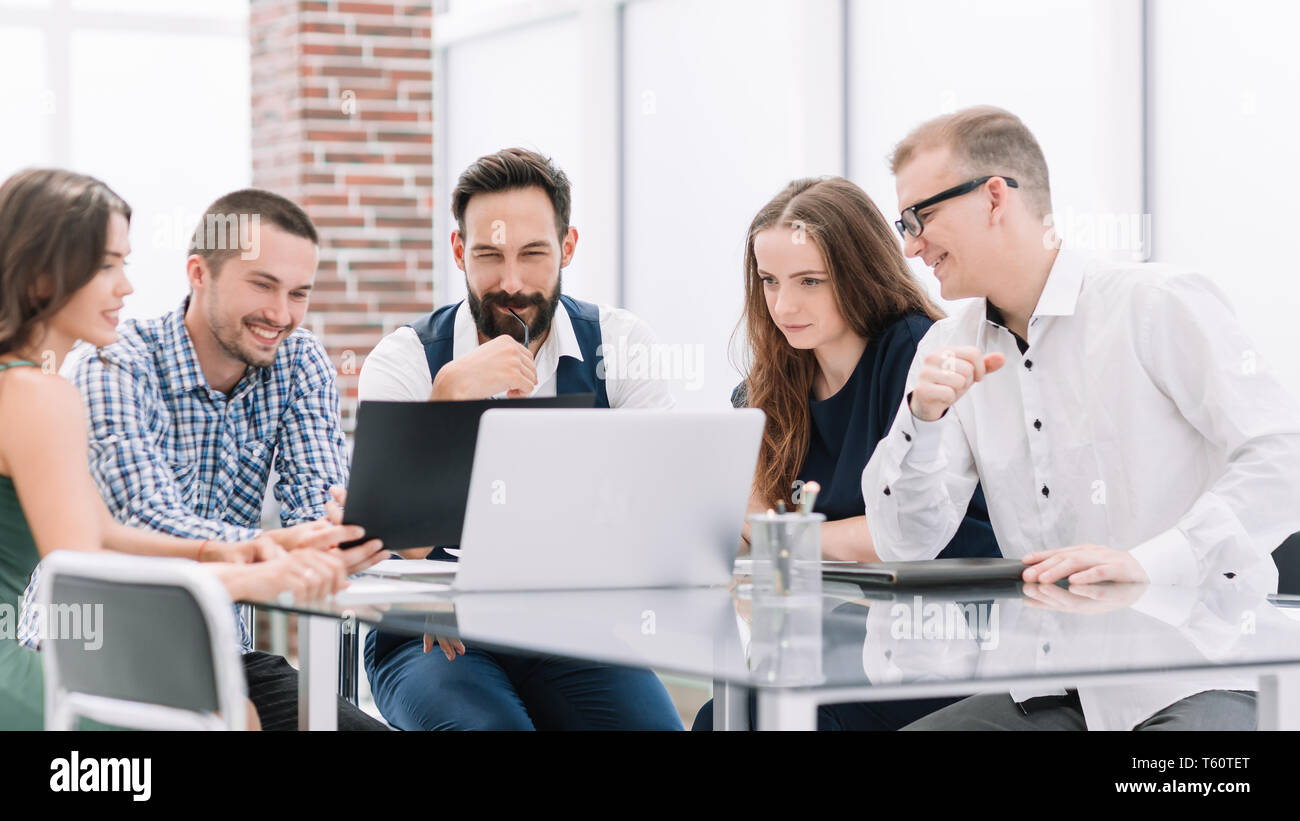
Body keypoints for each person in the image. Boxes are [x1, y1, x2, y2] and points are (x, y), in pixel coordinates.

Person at [862, 105, 1300, 730]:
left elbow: (1284, 455)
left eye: (920, 217)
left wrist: (1154, 562)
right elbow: (905, 543)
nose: (910, 246)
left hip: (1198, 673)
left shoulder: (1155, 304)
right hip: (1047, 691)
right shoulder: (945, 347)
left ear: (993, 198)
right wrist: (920, 423)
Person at [0, 168, 377, 730]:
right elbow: (85, 570)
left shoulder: (27, 384)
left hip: (131, 640)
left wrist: (245, 550)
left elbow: (104, 533)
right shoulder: (41, 393)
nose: (126, 286)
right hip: (41, 659)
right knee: (231, 722)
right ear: (40, 277)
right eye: (107, 265)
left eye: (123, 264)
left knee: (244, 717)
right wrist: (257, 576)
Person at [358, 147, 682, 730]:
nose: (511, 282)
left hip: (570, 626)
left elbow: (657, 506)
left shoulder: (621, 344)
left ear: (569, 246)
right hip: (429, 631)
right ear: (459, 251)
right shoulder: (407, 358)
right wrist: (447, 399)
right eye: (488, 255)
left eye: (533, 254)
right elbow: (391, 537)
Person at [691, 176, 1001, 731]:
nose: (785, 305)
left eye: (810, 281)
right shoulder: (770, 382)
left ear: (858, 273)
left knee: (769, 718)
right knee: (727, 714)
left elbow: (897, 539)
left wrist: (789, 540)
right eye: (769, 281)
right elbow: (745, 524)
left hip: (941, 640)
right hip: (831, 636)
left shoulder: (915, 353)